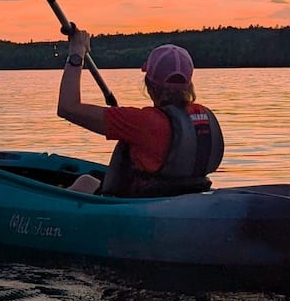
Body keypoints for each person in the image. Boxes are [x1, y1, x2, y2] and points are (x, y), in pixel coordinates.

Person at [57, 29, 224, 197]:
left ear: (149, 86)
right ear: (189, 84)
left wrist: (77, 52)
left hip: (140, 203)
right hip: (185, 196)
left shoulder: (140, 122)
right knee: (89, 180)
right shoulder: (202, 116)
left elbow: (68, 107)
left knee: (84, 182)